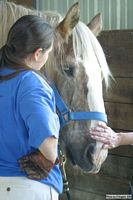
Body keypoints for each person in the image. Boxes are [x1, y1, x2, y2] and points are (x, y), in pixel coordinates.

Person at [0, 15, 63, 200]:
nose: (47, 57)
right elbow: (48, 144)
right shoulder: (30, 82)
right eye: (48, 53)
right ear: (38, 53)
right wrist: (51, 158)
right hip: (26, 189)